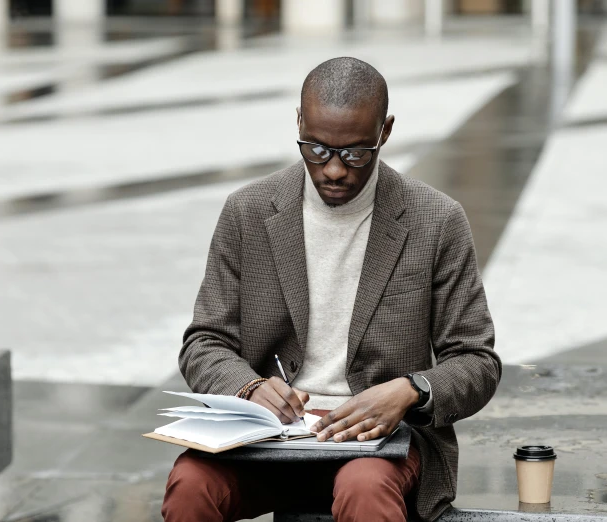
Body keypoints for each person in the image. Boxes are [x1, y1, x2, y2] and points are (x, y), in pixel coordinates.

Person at [161, 57, 501, 522]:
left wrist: (410, 390)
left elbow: (476, 360)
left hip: (379, 447)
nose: (335, 170)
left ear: (385, 131)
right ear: (299, 123)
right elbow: (204, 341)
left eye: (356, 153)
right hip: (267, 441)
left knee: (364, 490)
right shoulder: (248, 212)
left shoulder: (435, 220)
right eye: (316, 149)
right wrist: (248, 387)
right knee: (191, 486)